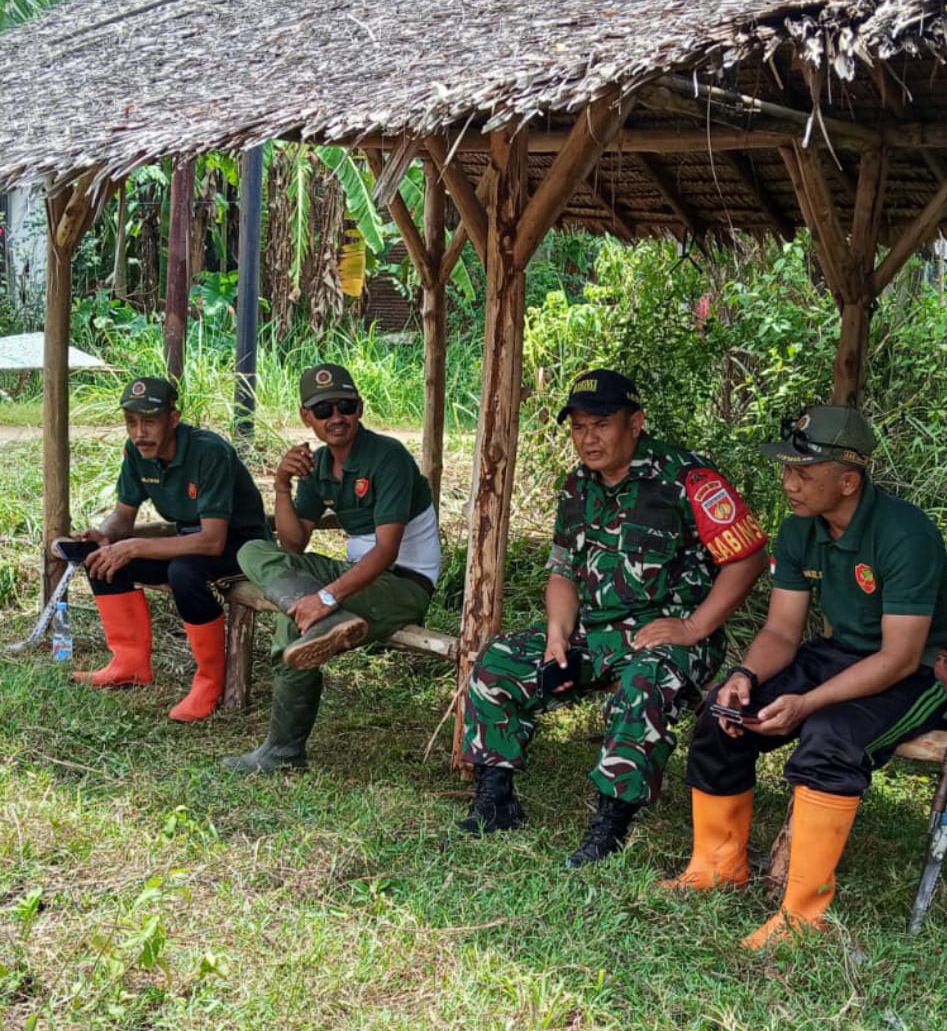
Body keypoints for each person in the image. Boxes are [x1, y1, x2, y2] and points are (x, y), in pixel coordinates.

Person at [670, 404, 947, 948]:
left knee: (829, 738)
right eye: (786, 470)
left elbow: (900, 658)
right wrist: (742, 676)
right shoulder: (800, 529)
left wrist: (807, 705)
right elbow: (783, 633)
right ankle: (716, 868)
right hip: (843, 653)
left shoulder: (906, 534)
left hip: (922, 674)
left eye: (803, 473)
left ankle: (802, 918)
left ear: (849, 480)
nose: (788, 483)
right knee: (723, 713)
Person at [458, 367, 768, 866]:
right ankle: (495, 800)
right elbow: (562, 571)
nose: (588, 438)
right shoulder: (577, 486)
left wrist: (694, 627)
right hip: (593, 630)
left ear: (636, 423)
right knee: (500, 661)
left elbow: (748, 556)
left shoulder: (687, 478)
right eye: (578, 427)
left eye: (601, 424)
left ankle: (609, 826)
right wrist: (558, 637)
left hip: (667, 633)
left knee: (644, 683)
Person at [221, 363, 441, 773]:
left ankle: (283, 753)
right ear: (307, 417)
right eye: (323, 410)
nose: (336, 418)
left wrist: (325, 597)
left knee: (296, 621)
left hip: (402, 585)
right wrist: (283, 485)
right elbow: (292, 542)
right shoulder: (319, 465)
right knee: (252, 551)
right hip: (357, 576)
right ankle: (325, 621)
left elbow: (387, 551)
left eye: (346, 406)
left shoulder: (386, 456)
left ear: (360, 408)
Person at [72, 376, 270, 722]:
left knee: (184, 572)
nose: (139, 432)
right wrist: (105, 537)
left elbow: (213, 540)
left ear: (173, 418)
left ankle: (210, 681)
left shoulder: (209, 451)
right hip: (189, 543)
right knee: (100, 558)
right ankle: (129, 664)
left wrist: (135, 546)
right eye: (131, 422)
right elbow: (123, 513)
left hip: (243, 546)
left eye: (149, 421)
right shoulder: (136, 452)